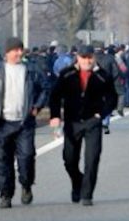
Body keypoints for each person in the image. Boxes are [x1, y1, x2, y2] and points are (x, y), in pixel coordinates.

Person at [0, 37, 48, 208]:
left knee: (27, 157)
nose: (19, 53)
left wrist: (37, 106)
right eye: (16, 50)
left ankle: (26, 185)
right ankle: (6, 195)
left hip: (25, 123)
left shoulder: (31, 69)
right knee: (3, 159)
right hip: (2, 122)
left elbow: (45, 88)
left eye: (21, 50)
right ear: (7, 52)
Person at [49, 45, 118, 206]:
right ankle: (77, 182)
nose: (87, 60)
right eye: (83, 57)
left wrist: (101, 114)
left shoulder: (102, 76)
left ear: (94, 58)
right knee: (69, 159)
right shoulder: (67, 74)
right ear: (78, 58)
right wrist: (55, 116)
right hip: (72, 122)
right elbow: (55, 96)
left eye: (89, 57)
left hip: (92, 122)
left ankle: (87, 194)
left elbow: (112, 98)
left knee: (92, 159)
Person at [94, 43, 121, 134]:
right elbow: (116, 71)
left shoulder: (90, 59)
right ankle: (105, 122)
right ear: (103, 49)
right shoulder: (110, 58)